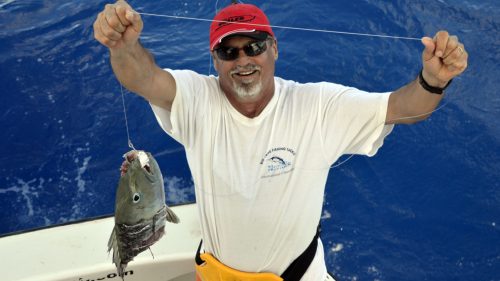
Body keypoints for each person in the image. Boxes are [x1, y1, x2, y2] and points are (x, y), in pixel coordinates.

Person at [94, 1, 468, 280]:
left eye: (253, 46)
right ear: (215, 60)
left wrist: (433, 80)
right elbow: (142, 77)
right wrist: (122, 45)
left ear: (274, 49)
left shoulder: (318, 106)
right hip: (217, 274)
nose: (243, 60)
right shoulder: (197, 98)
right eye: (229, 51)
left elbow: (404, 108)